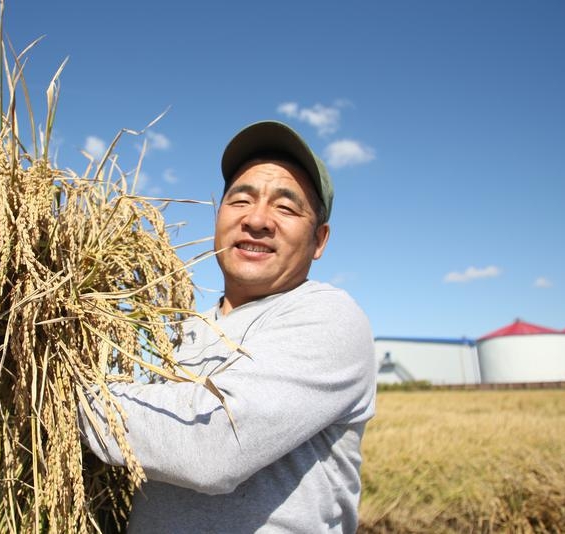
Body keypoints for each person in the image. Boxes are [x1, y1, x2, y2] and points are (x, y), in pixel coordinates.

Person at [80, 120, 376, 533]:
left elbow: (212, 445)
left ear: (319, 240)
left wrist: (61, 392)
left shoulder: (329, 317)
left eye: (286, 207)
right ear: (218, 217)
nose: (257, 219)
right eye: (240, 200)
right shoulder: (183, 333)